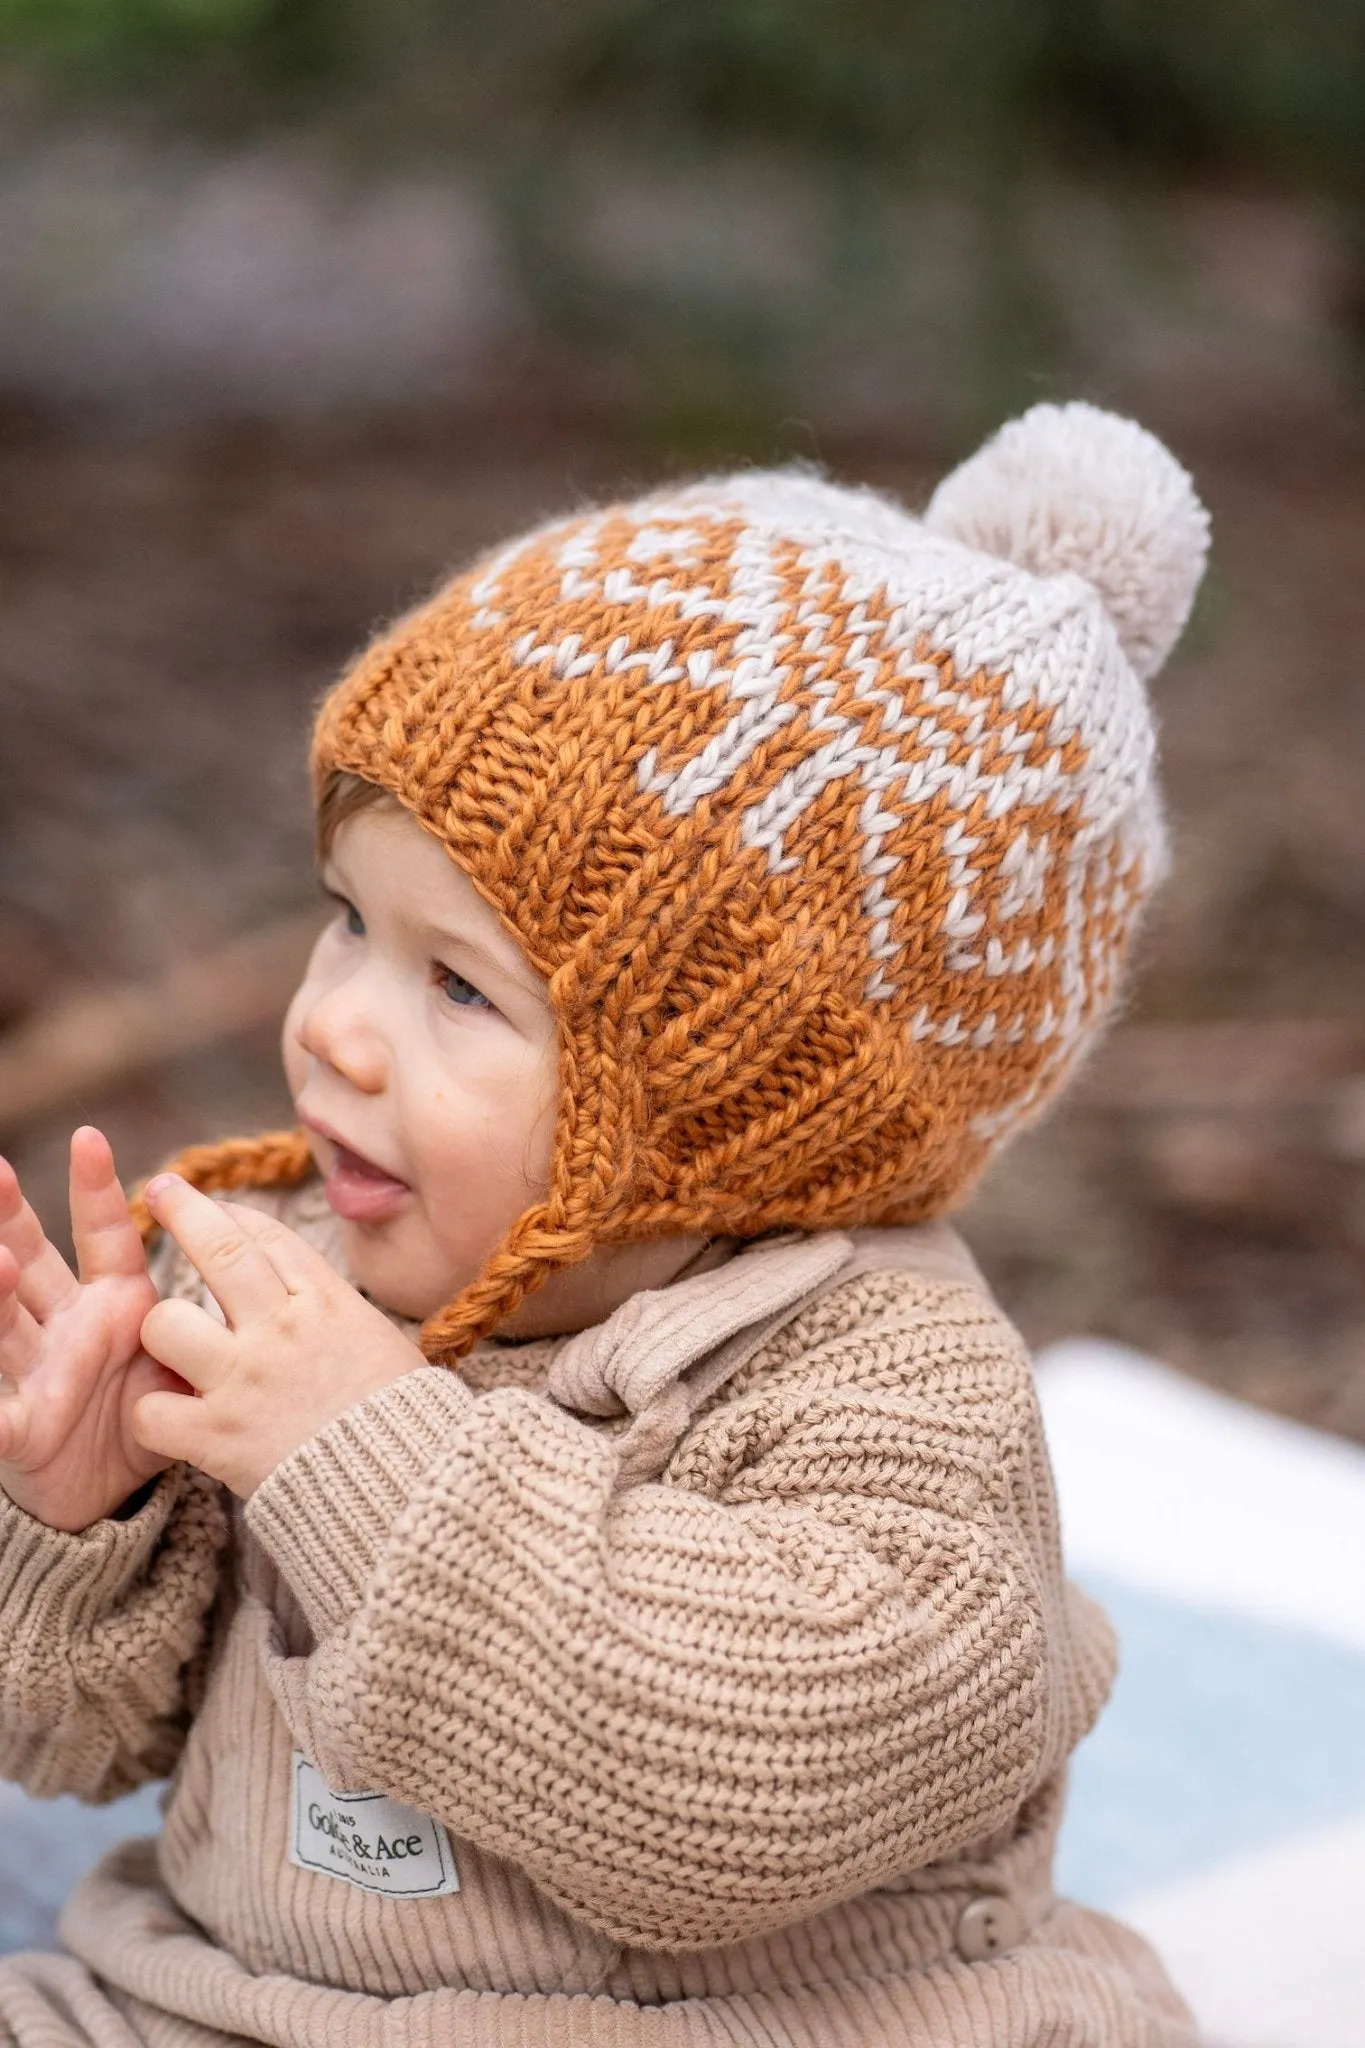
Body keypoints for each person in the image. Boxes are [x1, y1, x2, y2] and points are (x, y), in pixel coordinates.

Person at [0, 401, 1208, 2046]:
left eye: (456, 986)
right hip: (238, 1999)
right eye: (350, 918)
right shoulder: (319, 1268)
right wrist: (87, 1521)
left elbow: (732, 1787)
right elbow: (81, 1750)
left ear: (727, 1102)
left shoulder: (898, 1395)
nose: (337, 1027)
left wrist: (362, 1451)